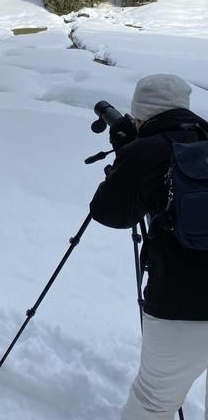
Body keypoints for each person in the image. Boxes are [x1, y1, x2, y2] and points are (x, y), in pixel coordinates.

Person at [90, 74, 208, 420]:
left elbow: (108, 213)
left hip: (181, 304)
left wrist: (127, 157)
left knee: (153, 402)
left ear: (141, 114)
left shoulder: (147, 150)